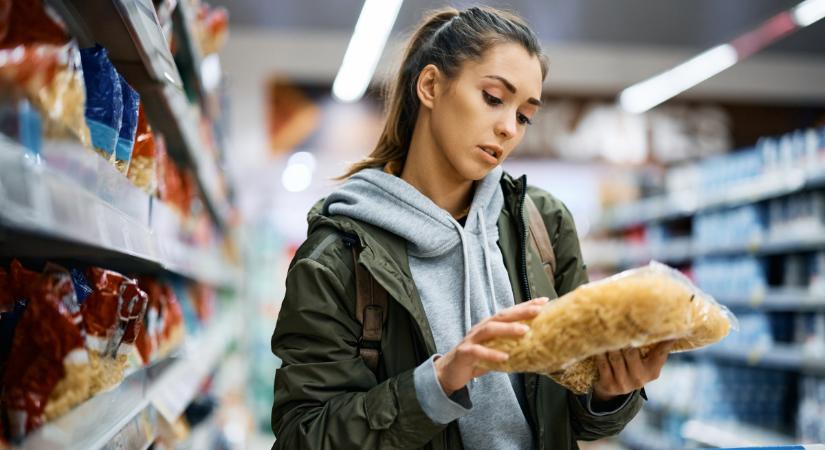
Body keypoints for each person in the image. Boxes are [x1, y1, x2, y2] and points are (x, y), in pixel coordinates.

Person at [270, 6, 672, 450]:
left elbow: (578, 414)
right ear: (430, 86)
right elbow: (302, 435)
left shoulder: (543, 224)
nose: (507, 129)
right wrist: (438, 383)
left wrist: (610, 392)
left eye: (524, 116)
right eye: (494, 98)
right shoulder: (339, 254)